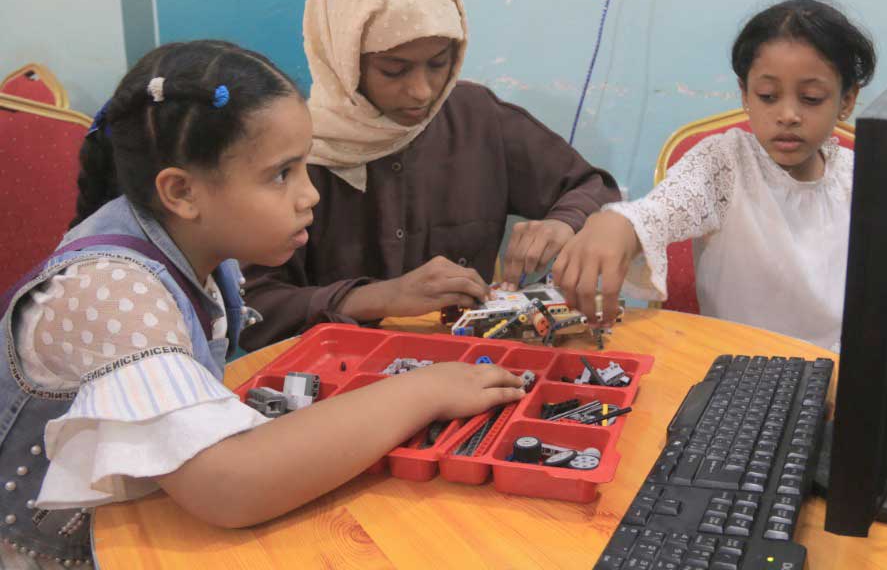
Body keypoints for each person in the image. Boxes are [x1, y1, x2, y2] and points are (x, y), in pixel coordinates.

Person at [0, 41, 524, 565]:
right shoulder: (112, 291)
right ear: (181, 192)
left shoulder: (203, 253)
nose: (310, 194)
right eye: (282, 174)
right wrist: (424, 390)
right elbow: (228, 485)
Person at [240, 0, 619, 350]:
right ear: (344, 56)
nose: (422, 91)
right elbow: (253, 310)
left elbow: (594, 188)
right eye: (394, 70)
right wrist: (379, 297)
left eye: (439, 63)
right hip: (342, 382)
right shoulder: (300, 150)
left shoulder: (478, 118)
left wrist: (562, 223)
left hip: (471, 368)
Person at [553, 0, 876, 351]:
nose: (787, 114)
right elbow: (661, 210)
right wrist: (619, 225)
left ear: (846, 100)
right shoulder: (722, 162)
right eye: (767, 96)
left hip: (837, 371)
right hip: (738, 372)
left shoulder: (858, 176)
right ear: (745, 94)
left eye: (811, 98)